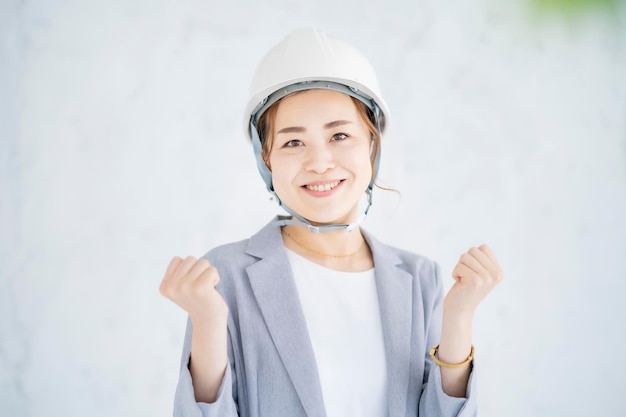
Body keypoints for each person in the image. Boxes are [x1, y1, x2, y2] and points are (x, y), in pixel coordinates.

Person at [159, 27, 503, 417]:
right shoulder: (224, 276)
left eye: (339, 135)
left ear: (372, 145)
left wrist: (458, 316)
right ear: (265, 159)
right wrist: (207, 321)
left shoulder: (420, 278)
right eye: (292, 142)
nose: (319, 162)